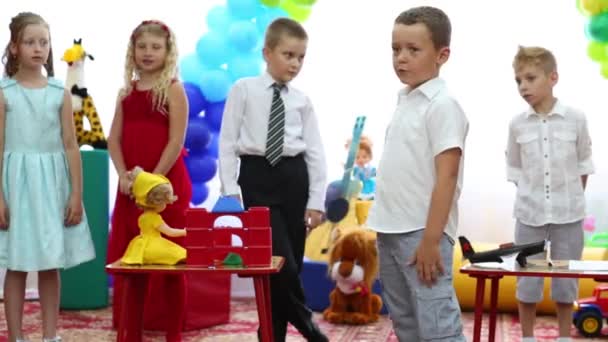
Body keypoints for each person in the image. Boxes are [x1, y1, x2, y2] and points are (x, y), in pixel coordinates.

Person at [218, 17, 328, 342]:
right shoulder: (244, 90)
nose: (295, 63)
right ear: (267, 53)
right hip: (256, 177)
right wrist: (230, 191)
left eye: (301, 57)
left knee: (289, 260)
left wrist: (316, 201)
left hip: (294, 179)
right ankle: (309, 326)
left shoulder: (302, 101)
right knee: (279, 266)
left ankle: (270, 334)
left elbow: (316, 153)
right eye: (288, 54)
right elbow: (226, 143)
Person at [366, 6, 468, 341]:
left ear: (442, 55)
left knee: (437, 323)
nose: (401, 58)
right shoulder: (406, 101)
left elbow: (447, 177)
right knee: (406, 321)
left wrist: (431, 240)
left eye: (413, 50)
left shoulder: (443, 105)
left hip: (422, 233)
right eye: (396, 49)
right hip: (390, 229)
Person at [0, 12, 95, 342]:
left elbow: (71, 145)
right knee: (16, 263)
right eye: (30, 42)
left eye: (44, 42)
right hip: (16, 186)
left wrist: (76, 194)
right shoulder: (4, 92)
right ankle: (15, 336)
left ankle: (50, 336)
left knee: (50, 263)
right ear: (14, 48)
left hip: (52, 186)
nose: (38, 48)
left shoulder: (59, 91)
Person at [106, 19, 191, 342]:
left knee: (173, 262)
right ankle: (131, 333)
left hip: (165, 186)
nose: (147, 52)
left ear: (167, 51)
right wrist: (125, 175)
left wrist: (150, 180)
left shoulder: (172, 88)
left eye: (155, 47)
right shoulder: (126, 91)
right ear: (133, 51)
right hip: (131, 187)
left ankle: (173, 334)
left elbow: (175, 140)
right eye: (142, 46)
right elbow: (113, 140)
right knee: (133, 262)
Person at [506, 46, 594, 342]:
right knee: (528, 280)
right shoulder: (517, 124)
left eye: (530, 78)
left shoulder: (576, 118)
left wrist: (567, 202)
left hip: (568, 216)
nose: (523, 86)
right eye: (518, 80)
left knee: (565, 280)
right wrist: (535, 202)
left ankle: (564, 337)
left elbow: (583, 164)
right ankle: (528, 337)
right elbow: (516, 170)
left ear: (553, 77)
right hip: (529, 216)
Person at [121, 166, 187, 266]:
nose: (166, 205)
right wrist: (185, 232)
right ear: (156, 202)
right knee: (178, 253)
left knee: (177, 252)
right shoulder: (154, 218)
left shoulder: (142, 217)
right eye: (165, 202)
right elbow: (170, 232)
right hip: (153, 247)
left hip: (141, 246)